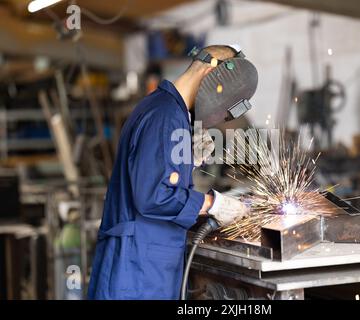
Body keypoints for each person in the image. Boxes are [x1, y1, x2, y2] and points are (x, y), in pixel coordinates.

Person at [88, 45, 256, 299]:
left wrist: (188, 159)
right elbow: (153, 195)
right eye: (223, 108)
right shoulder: (165, 116)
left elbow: (154, 173)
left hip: (143, 266)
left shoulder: (165, 109)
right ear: (211, 76)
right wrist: (212, 204)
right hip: (136, 273)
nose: (219, 116)